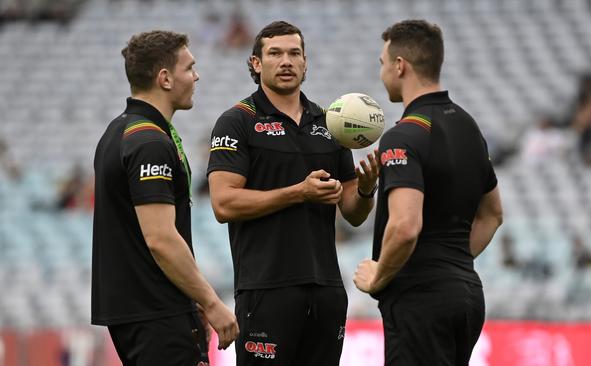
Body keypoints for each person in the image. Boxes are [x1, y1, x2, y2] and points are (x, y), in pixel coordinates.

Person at [207, 21, 379, 365]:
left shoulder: (331, 123)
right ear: (256, 63)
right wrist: (299, 192)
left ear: (305, 62)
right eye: (275, 53)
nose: (285, 61)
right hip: (266, 288)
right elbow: (223, 203)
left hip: (327, 289)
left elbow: (353, 213)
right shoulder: (238, 121)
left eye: (294, 53)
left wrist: (365, 187)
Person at [353, 20, 503, 366]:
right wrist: (451, 264)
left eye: (382, 63)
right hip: (466, 294)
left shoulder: (402, 136)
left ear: (400, 65)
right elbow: (493, 214)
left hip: (421, 301)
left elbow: (405, 226)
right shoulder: (468, 126)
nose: (382, 73)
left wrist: (379, 276)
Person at [91, 30, 238, 365]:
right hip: (156, 311)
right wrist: (211, 301)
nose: (196, 76)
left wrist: (191, 297)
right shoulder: (149, 141)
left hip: (140, 311)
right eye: (190, 68)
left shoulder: (117, 132)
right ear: (165, 78)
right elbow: (160, 238)